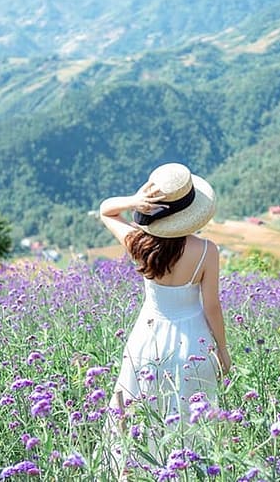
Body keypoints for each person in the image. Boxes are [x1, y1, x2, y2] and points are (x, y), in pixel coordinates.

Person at [99, 163, 231, 444]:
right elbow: (212, 307)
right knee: (194, 429)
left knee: (138, 419)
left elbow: (106, 210)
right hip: (193, 344)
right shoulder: (207, 251)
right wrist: (222, 350)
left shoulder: (138, 243)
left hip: (147, 341)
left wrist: (135, 201)